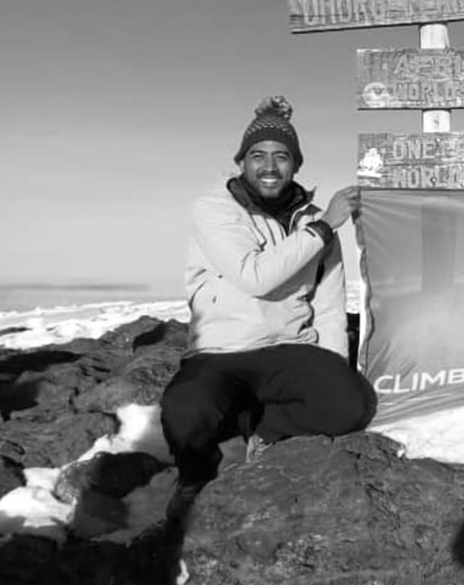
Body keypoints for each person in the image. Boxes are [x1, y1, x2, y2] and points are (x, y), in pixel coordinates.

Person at [160, 96, 377, 521]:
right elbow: (253, 276)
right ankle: (194, 477)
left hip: (287, 348)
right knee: (184, 412)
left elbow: (329, 305)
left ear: (295, 165)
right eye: (258, 156)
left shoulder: (314, 219)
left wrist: (329, 370)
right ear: (242, 162)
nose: (269, 166)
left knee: (351, 405)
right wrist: (323, 227)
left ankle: (263, 430)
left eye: (281, 157)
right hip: (220, 351)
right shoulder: (214, 208)